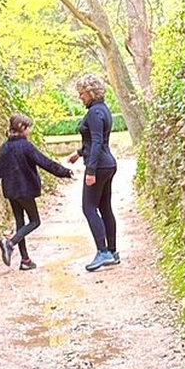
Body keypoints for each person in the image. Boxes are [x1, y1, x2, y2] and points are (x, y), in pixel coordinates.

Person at [0, 113, 73, 270]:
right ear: (22, 128)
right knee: (35, 221)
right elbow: (45, 162)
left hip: (11, 192)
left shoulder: (4, 148)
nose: (29, 131)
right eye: (28, 128)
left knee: (20, 223)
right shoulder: (26, 146)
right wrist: (64, 172)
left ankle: (25, 260)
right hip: (24, 191)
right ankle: (10, 243)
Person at [67, 74, 119, 272]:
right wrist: (78, 153)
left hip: (100, 166)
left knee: (89, 208)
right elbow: (96, 141)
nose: (80, 97)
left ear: (90, 92)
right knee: (105, 207)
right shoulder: (103, 110)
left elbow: (97, 141)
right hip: (107, 163)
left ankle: (103, 251)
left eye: (81, 93)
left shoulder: (94, 113)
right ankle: (112, 252)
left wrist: (90, 170)